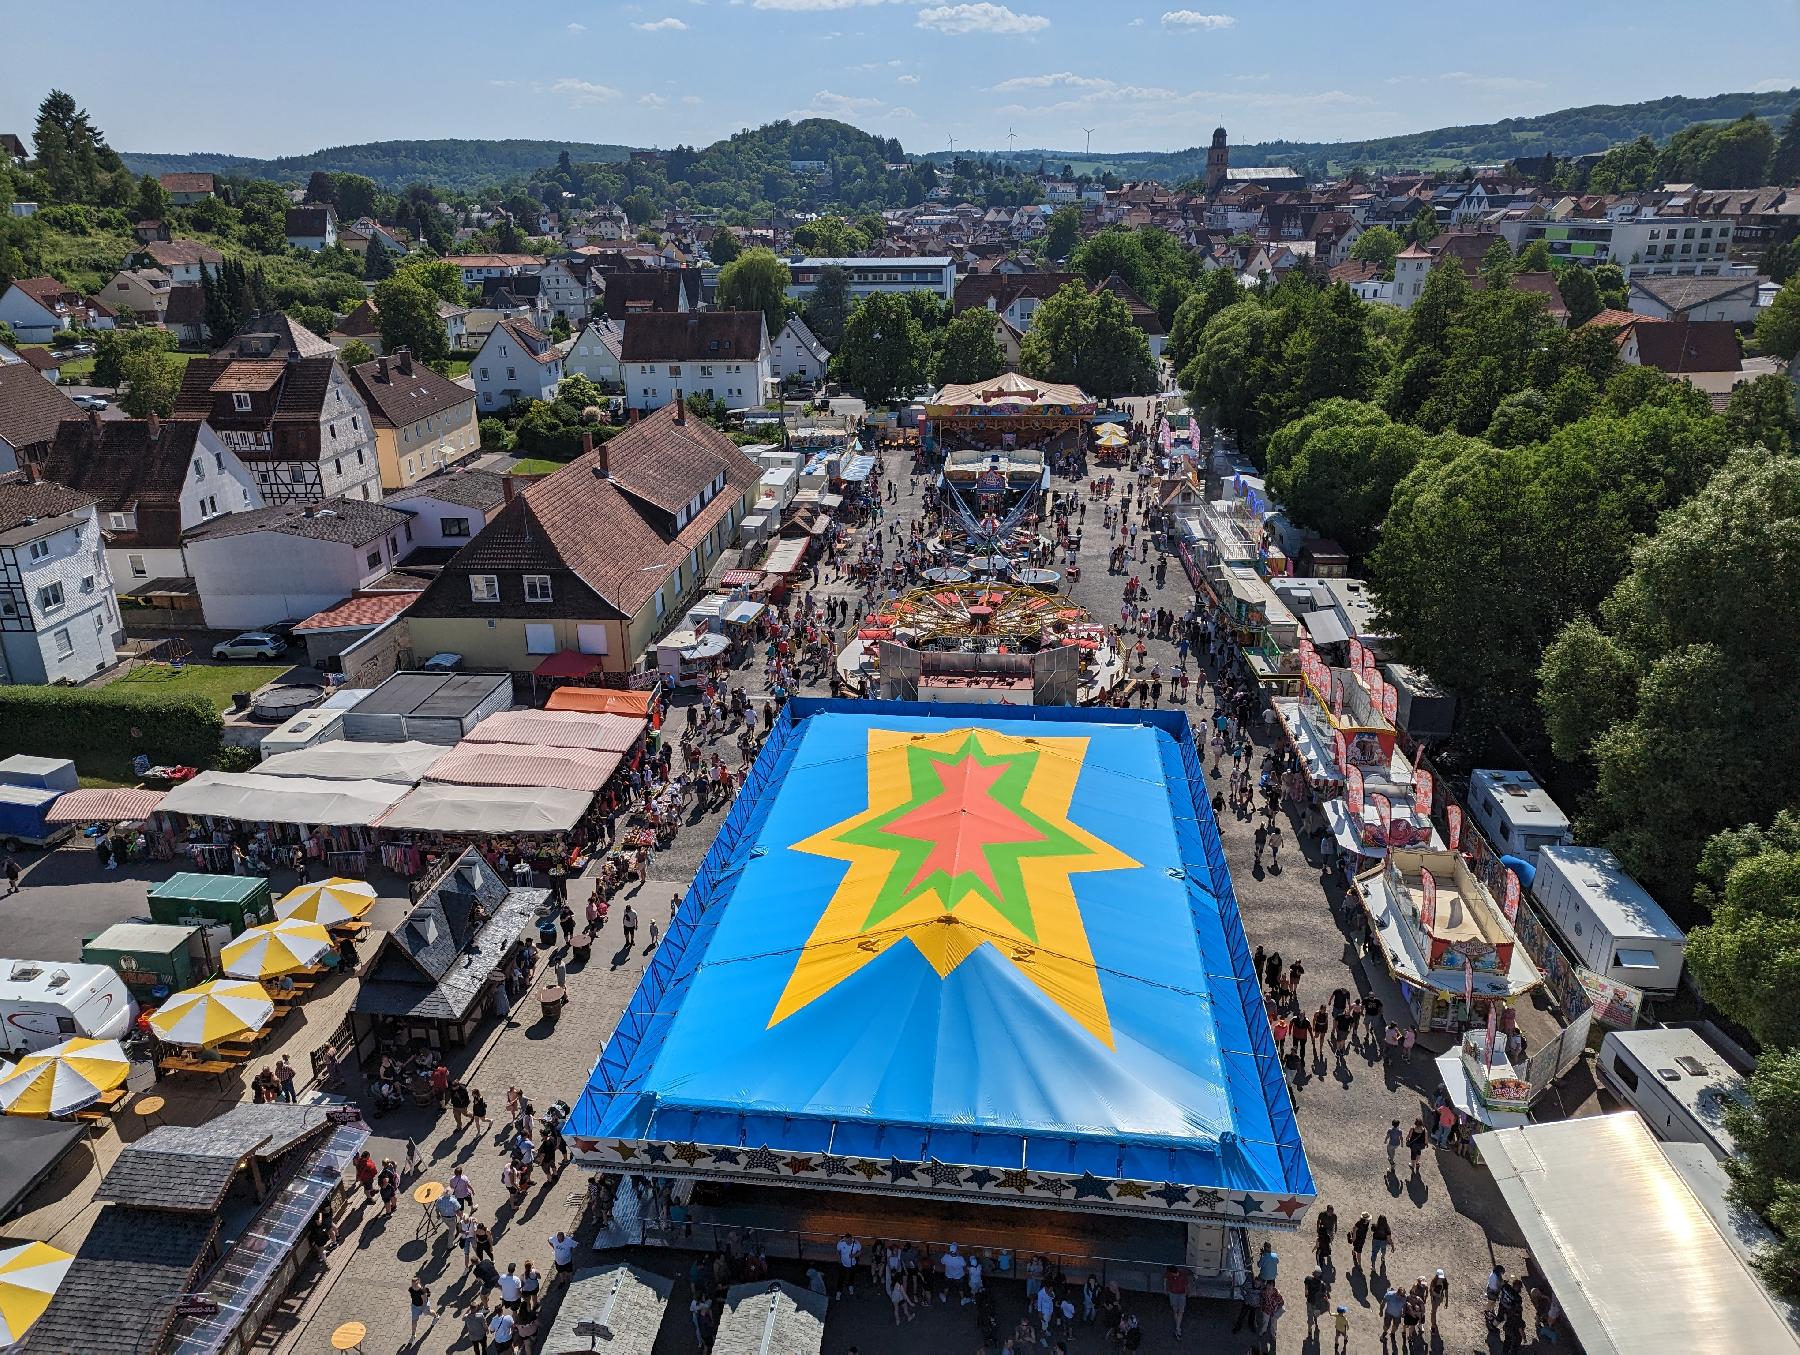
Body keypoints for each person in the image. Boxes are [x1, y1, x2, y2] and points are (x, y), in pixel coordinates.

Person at [1164, 1263, 1188, 1338]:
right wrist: (1187, 1293)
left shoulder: (1169, 1274)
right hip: (1181, 1294)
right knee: (1180, 1311)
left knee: (1176, 1311)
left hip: (1173, 1294)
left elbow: (1165, 1280)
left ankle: (1178, 1328)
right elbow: (1186, 1285)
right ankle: (1178, 1329)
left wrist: (1165, 1289)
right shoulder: (1183, 1275)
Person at [836, 1231, 861, 1299]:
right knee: (841, 1278)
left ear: (851, 1239)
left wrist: (854, 1255)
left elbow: (860, 1252)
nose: (847, 1243)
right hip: (843, 1264)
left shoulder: (856, 1244)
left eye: (849, 1241)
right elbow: (838, 1251)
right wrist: (839, 1260)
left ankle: (850, 1286)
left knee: (851, 1276)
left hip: (853, 1264)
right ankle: (838, 1292)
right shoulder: (840, 1243)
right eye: (846, 1241)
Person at [1304, 1268, 1328, 1337]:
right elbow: (1324, 1295)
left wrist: (1306, 1291)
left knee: (1309, 1315)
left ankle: (1309, 1330)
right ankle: (1316, 1317)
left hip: (1310, 1301)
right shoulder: (1322, 1284)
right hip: (1317, 1303)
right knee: (1316, 1312)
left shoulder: (1308, 1279)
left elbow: (1306, 1285)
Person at [409, 1274, 433, 1340]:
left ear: (418, 1282)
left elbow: (425, 1301)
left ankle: (436, 1316)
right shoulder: (411, 1289)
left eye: (414, 1284)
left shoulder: (422, 1291)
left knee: (429, 1312)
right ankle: (413, 1335)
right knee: (414, 1321)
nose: (413, 1285)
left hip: (423, 1306)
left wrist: (423, 1309)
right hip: (415, 1306)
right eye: (412, 1283)